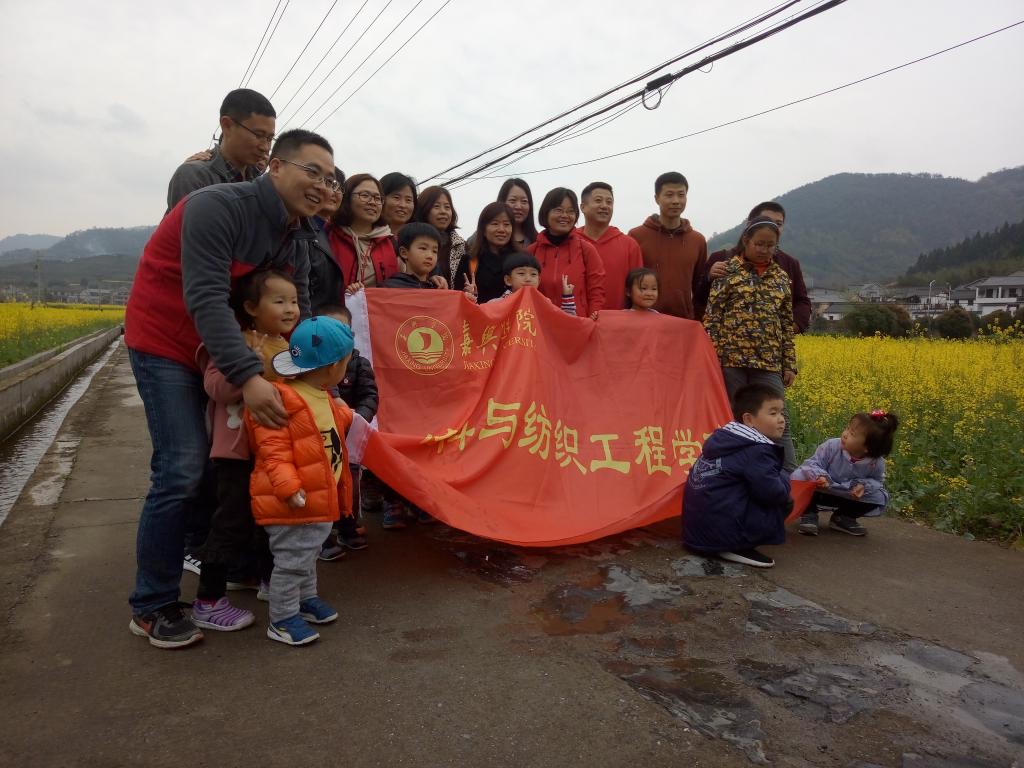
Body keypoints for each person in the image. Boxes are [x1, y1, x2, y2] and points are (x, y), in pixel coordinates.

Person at [124, 128, 337, 649]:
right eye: (312, 171)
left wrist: (312, 372)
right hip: (168, 343)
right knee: (181, 467)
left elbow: (300, 306)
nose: (322, 185)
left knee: (239, 467)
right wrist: (246, 376)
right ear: (276, 166)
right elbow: (206, 296)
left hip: (227, 348)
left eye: (330, 178)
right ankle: (152, 605)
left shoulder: (295, 231)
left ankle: (235, 571)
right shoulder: (216, 206)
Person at [191, 269, 299, 631]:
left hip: (274, 451)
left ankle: (267, 579)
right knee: (231, 520)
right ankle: (208, 599)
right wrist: (246, 369)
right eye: (279, 301)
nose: (290, 309)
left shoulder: (290, 348)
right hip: (236, 452)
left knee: (272, 518)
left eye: (294, 301)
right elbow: (215, 388)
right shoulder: (233, 343)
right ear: (251, 307)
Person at [247, 315, 354, 645]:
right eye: (346, 362)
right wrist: (289, 488)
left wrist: (348, 414)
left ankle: (305, 600)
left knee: (307, 555)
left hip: (318, 496)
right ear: (333, 366)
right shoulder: (283, 399)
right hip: (293, 501)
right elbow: (273, 450)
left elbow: (330, 422)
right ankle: (281, 618)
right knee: (292, 562)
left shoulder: (318, 393)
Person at [702, 217, 798, 470]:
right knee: (734, 419)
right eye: (759, 244)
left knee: (778, 419)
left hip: (768, 361)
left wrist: (789, 364)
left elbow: (786, 323)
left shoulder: (781, 278)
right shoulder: (727, 271)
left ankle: (788, 476)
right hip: (730, 360)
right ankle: (735, 472)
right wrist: (712, 358)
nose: (764, 250)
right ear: (746, 241)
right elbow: (712, 317)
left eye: (770, 245)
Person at [682, 383, 792, 568]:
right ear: (748, 419)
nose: (781, 420)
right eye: (773, 413)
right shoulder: (757, 450)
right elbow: (775, 493)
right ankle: (736, 545)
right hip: (718, 536)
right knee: (785, 500)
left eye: (782, 413)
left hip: (695, 533)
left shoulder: (725, 439)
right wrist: (783, 475)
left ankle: (726, 539)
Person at [315, 305, 377, 559]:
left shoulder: (359, 363)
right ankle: (321, 538)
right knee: (321, 487)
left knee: (349, 486)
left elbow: (370, 396)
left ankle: (348, 527)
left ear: (351, 334)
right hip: (320, 439)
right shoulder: (310, 364)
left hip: (349, 436)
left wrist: (357, 418)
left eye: (341, 330)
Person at [695, 202, 811, 331]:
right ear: (750, 225)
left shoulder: (789, 265)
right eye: (766, 220)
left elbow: (802, 301)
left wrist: (792, 327)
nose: (771, 227)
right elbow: (699, 299)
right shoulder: (721, 259)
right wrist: (708, 278)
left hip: (773, 342)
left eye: (778, 224)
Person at [792, 410, 899, 537]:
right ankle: (808, 513)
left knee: (879, 497)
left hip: (848, 495)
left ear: (867, 447)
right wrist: (820, 476)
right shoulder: (831, 446)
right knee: (799, 475)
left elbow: (877, 481)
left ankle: (843, 517)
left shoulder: (876, 462)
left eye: (852, 434)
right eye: (847, 428)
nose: (845, 434)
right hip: (822, 490)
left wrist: (863, 486)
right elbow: (812, 464)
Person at [167, 89, 276, 212]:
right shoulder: (195, 177)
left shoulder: (261, 181)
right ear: (227, 125)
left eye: (270, 138)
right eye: (258, 135)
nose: (265, 147)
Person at [628, 172, 707, 319]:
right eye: (669, 195)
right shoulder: (636, 236)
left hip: (684, 320)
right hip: (645, 320)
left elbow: (699, 286)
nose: (676, 201)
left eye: (681, 195)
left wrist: (699, 319)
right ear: (657, 198)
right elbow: (629, 283)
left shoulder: (697, 240)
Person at [529, 187, 606, 318]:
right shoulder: (532, 251)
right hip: (540, 324)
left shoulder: (586, 249)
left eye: (570, 211)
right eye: (558, 210)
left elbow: (597, 292)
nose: (565, 215)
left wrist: (593, 319)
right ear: (546, 213)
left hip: (577, 324)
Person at [577, 182, 643, 310]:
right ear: (583, 207)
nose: (604, 206)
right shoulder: (570, 241)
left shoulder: (629, 245)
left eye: (609, 202)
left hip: (617, 319)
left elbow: (638, 288)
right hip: (575, 319)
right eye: (598, 200)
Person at [328, 173, 399, 292]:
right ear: (347, 198)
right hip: (336, 303)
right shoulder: (329, 234)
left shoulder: (392, 242)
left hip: (378, 304)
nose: (372, 202)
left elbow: (405, 281)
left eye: (377, 198)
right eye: (365, 195)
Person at [461, 202, 522, 303]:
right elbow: (458, 298)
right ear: (483, 229)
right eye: (495, 224)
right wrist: (467, 295)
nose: (501, 229)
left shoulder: (521, 261)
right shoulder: (469, 260)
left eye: (506, 224)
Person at [482, 252, 576, 315]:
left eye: (533, 274)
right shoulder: (496, 304)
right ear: (508, 280)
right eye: (521, 273)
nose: (528, 279)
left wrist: (567, 297)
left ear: (539, 280)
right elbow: (479, 318)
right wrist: (473, 298)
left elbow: (563, 322)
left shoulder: (545, 303)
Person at [307, 169, 347, 313]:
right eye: (329, 183)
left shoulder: (339, 234)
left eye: (339, 187)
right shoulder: (301, 228)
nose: (334, 192)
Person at [414, 186, 465, 289]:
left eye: (447, 207)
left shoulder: (460, 246)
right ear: (424, 209)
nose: (443, 211)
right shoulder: (412, 240)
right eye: (436, 206)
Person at [382, 223, 442, 289]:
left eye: (434, 251)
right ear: (404, 253)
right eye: (423, 248)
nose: (430, 256)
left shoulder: (438, 287)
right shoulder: (390, 287)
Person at [497, 178, 538, 249]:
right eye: (512, 200)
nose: (519, 207)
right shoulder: (490, 237)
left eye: (524, 201)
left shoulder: (539, 240)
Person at [380, 172, 417, 237]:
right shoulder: (365, 236)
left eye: (408, 200)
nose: (403, 205)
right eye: (396, 197)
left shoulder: (420, 238)